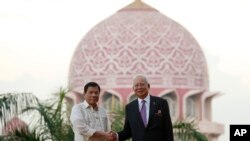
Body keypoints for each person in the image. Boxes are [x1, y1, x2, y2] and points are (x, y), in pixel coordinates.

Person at [109, 75, 174, 141]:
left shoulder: (161, 103)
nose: (139, 87)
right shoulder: (130, 107)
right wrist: (116, 136)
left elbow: (168, 129)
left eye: (142, 84)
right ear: (133, 88)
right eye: (136, 85)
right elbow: (128, 131)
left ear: (148, 86)